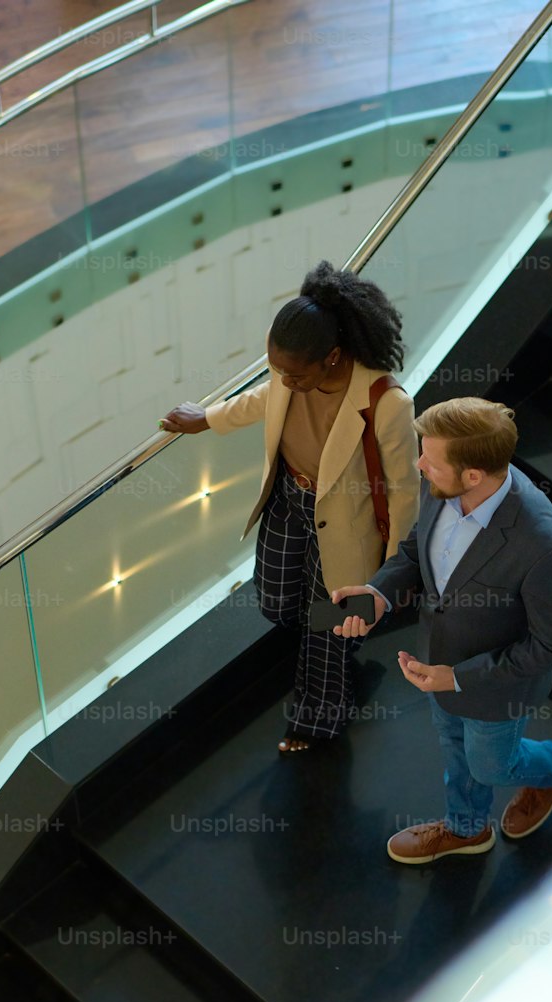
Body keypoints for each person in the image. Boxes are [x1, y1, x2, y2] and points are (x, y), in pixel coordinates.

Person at [161, 261, 419, 754]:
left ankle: (317, 718)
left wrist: (391, 575)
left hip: (347, 527)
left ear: (333, 357)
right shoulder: (289, 374)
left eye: (294, 374)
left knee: (322, 627)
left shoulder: (386, 402)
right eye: (277, 368)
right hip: (288, 500)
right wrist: (207, 419)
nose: (283, 380)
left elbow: (406, 490)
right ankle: (344, 636)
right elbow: (263, 399)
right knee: (277, 602)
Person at [331, 396, 552, 862]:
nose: (418, 463)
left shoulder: (545, 547)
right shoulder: (440, 485)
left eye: (430, 457)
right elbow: (414, 550)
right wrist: (379, 594)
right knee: (454, 749)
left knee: (491, 764)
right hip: (435, 660)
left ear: (473, 475)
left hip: (494, 686)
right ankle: (467, 829)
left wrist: (459, 676)